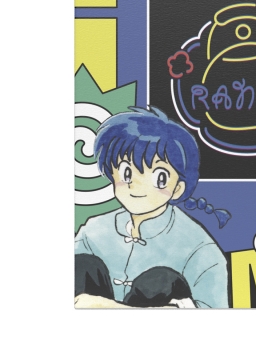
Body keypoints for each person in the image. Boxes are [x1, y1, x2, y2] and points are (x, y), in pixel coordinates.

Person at [75, 107, 230, 308]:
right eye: (127, 173)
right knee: (83, 264)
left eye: (159, 178)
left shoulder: (199, 249)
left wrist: (112, 309)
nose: (137, 186)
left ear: (178, 188)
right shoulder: (94, 232)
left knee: (160, 281)